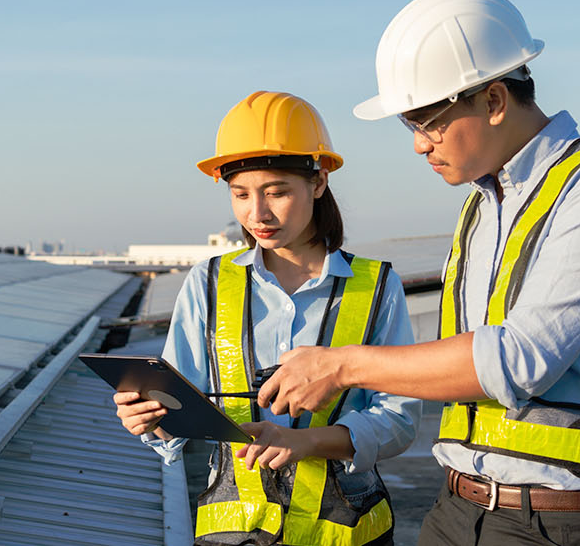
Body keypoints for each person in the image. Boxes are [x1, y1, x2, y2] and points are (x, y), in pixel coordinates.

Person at [257, 0, 580, 545]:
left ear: (495, 100)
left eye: (426, 121)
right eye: (409, 125)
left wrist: (341, 366)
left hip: (569, 520)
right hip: (460, 507)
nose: (418, 145)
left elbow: (519, 358)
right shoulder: (482, 207)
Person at [115, 90, 421, 546]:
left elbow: (399, 419)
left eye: (276, 192)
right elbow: (182, 404)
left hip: (344, 534)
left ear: (318, 183)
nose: (256, 213)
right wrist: (151, 417)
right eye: (240, 194)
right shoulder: (208, 283)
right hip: (234, 535)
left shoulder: (375, 287)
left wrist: (310, 442)